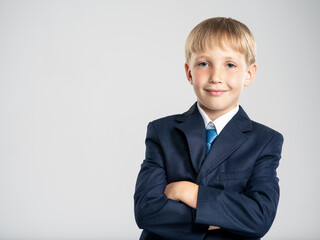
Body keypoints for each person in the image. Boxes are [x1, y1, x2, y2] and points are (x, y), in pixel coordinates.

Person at [134, 17, 284, 240]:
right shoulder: (161, 131)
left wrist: (188, 192)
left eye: (230, 65)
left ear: (249, 74)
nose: (216, 77)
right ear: (189, 72)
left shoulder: (265, 141)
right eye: (204, 64)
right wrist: (223, 218)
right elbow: (146, 211)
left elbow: (258, 218)